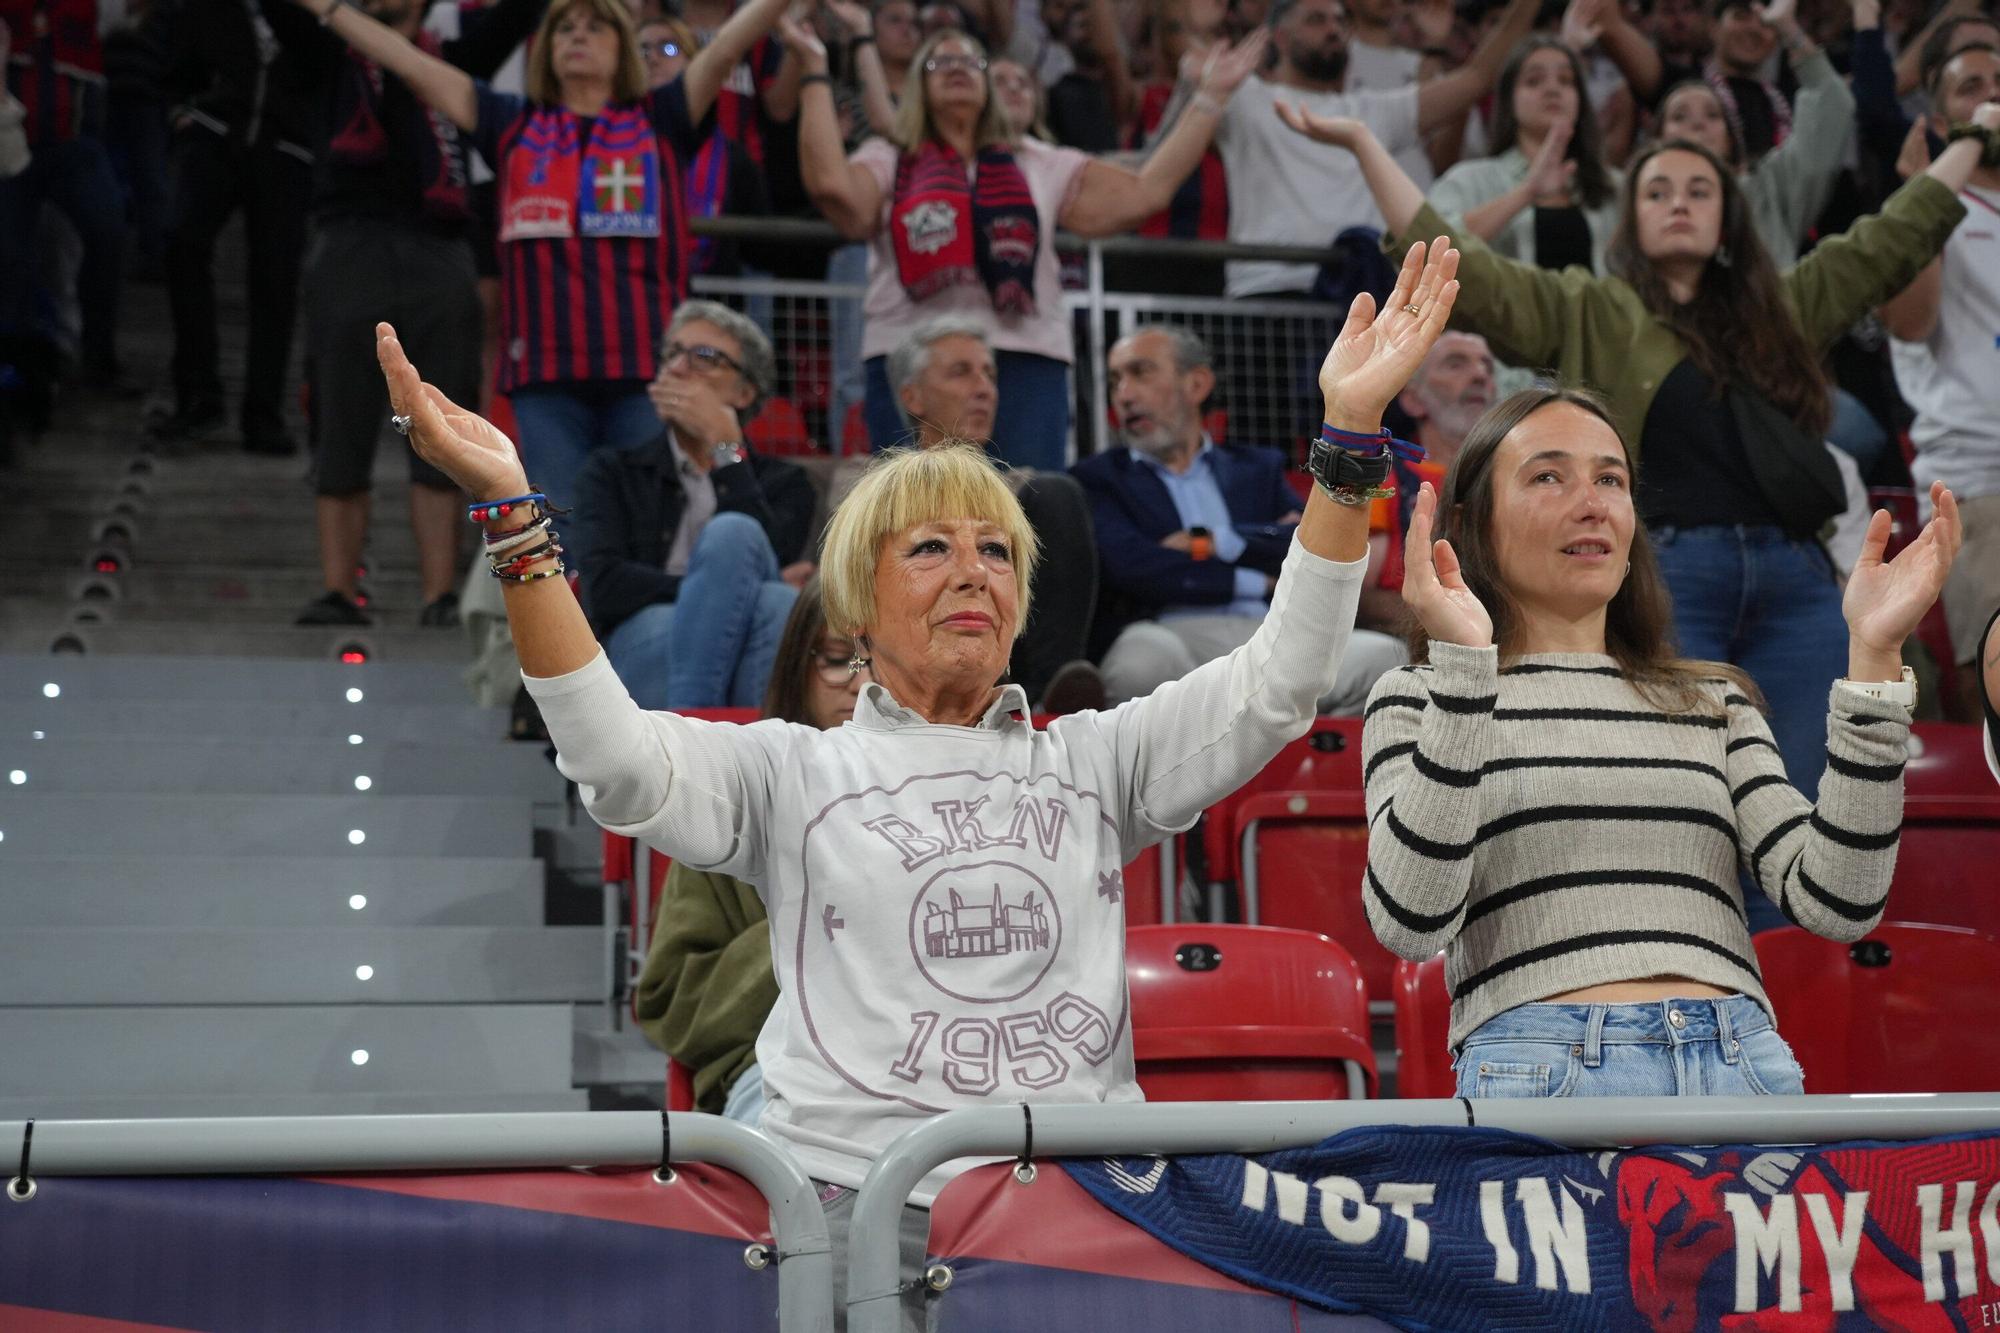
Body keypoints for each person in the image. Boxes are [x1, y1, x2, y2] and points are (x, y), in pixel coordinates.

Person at [377, 234, 1463, 1325]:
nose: (972, 574)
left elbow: (1284, 680)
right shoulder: (791, 767)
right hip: (852, 1231)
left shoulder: (1092, 761)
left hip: (1077, 1231)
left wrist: (1345, 439)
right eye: (930, 549)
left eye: (996, 553)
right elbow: (610, 755)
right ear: (856, 602)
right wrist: (516, 516)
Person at [1278, 104, 1996, 823]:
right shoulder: (1591, 307)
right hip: (1671, 575)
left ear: (1728, 220)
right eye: (1656, 191)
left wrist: (1973, 135)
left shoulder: (1784, 306)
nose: (1677, 201)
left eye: (1698, 189)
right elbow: (1463, 264)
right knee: (1691, 806)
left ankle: (1783, 943)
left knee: (1803, 808)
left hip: (1798, 581)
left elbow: (1892, 239)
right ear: (1631, 220)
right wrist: (1365, 140)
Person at [1361, 384, 1961, 1096]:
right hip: (1546, 1065)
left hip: (1743, 1058)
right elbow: (1410, 920)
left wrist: (1871, 656)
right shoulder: (1419, 695)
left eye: (1610, 478)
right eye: (1549, 475)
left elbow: (1839, 900)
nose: (1593, 502)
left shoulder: (1714, 699)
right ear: (1469, 522)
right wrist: (1465, 671)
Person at [306, 0, 790, 510]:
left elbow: (732, 42)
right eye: (564, 29)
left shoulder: (662, 116)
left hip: (647, 373)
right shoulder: (509, 121)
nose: (577, 36)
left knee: (646, 526)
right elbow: (409, 63)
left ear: (622, 46)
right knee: (565, 535)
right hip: (546, 379)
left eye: (596, 26)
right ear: (546, 50)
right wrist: (331, 8)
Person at [790, 17, 1271, 471]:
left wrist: (1209, 97)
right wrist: (813, 72)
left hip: (1025, 358)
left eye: (972, 62)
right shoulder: (889, 158)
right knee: (911, 518)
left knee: (1028, 516)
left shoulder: (1039, 162)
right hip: (911, 358)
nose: (957, 68)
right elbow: (833, 189)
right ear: (917, 85)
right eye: (940, 62)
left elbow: (1144, 192)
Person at [288, 0, 544, 629]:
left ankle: (439, 597)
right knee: (339, 422)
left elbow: (518, 16)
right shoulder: (324, 53)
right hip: (349, 245)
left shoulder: (452, 61)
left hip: (441, 250)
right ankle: (338, 591)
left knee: (442, 426)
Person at [1077, 323, 1409, 708]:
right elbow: (1136, 568)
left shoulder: (1258, 469)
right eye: (1115, 380)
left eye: (1140, 373)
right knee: (1139, 663)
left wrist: (1214, 540)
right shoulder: (1097, 479)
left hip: (1273, 634)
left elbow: (1304, 543)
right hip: (1171, 632)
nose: (1124, 395)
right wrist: (1258, 580)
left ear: (1196, 385)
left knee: (1387, 660)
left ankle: (1300, 768)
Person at [635, 577, 867, 1123]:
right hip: (783, 1070)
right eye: (838, 659)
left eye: (886, 665)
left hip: (945, 1069)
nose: (863, 686)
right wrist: (830, 918)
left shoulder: (965, 795)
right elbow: (672, 1004)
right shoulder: (733, 798)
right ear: (795, 667)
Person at [573, 300, 816, 710]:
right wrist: (713, 590)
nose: (678, 369)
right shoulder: (612, 471)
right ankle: (717, 742)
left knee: (772, 595)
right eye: (671, 353)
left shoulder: (787, 483)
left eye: (704, 357)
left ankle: (700, 749)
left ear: (744, 392)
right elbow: (605, 587)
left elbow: (767, 561)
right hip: (641, 636)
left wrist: (726, 452)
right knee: (759, 589)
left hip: (747, 631)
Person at [883, 316, 1104, 709]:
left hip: (1006, 650)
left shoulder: (1025, 489)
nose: (983, 389)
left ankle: (1049, 700)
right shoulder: (869, 486)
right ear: (912, 397)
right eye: (961, 373)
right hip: (902, 647)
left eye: (989, 375)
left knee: (1057, 495)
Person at [1880, 44, 2000, 723]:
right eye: (1971, 88)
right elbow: (1906, 322)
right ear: (1939, 116)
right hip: (1982, 485)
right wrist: (1922, 198)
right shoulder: (1921, 210)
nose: (1992, 96)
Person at [1647, 0, 1857, 270]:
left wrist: (1789, 29)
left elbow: (1832, 104)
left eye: (1713, 115)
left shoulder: (1766, 189)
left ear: (1731, 140)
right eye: (1680, 116)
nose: (1698, 123)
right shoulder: (1639, 201)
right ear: (1657, 141)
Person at [1427, 37, 1621, 273]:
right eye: (1534, 81)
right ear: (1509, 101)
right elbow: (1426, 253)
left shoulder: (1616, 186)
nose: (1552, 89)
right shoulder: (1471, 179)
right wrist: (1526, 193)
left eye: (1566, 81)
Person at [1358, 329, 1494, 632]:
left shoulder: (1507, 478)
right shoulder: (1383, 475)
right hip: (1404, 637)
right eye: (1456, 364)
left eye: (1487, 366)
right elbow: (1358, 596)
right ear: (1413, 400)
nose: (1480, 375)